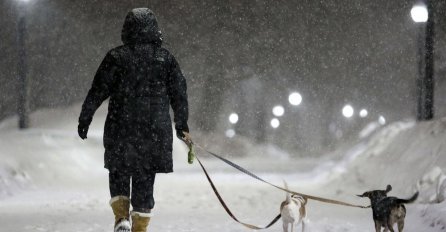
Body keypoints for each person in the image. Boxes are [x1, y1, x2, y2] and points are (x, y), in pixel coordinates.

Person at [78, 8, 191, 232]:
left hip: (122, 127)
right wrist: (181, 125)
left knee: (119, 171)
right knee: (144, 178)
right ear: (154, 29)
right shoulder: (165, 58)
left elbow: (97, 90)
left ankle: (121, 218)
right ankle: (139, 226)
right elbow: (179, 94)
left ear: (127, 30)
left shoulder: (116, 57)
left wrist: (85, 117)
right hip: (154, 131)